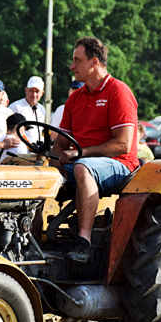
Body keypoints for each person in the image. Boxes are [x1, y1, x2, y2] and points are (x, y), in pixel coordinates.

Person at [51, 36, 139, 263]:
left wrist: (81, 153)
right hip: (84, 162)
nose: (71, 66)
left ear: (94, 63)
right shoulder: (74, 100)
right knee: (34, 175)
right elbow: (61, 143)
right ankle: (32, 241)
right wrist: (50, 166)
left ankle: (84, 241)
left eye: (77, 60)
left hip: (119, 164)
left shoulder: (118, 91)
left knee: (82, 167)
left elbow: (123, 144)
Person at [9, 76, 47, 145]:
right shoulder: (15, 107)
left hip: (37, 152)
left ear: (42, 93)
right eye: (31, 91)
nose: (34, 94)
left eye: (37, 91)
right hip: (20, 152)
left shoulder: (42, 109)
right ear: (26, 90)